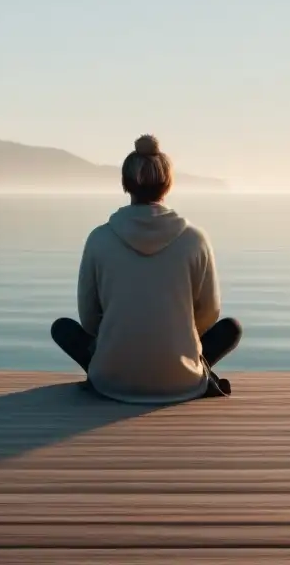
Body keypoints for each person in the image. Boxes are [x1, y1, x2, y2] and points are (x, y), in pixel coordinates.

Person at [51, 134, 242, 403]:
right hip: (182, 379)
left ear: (126, 185)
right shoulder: (195, 239)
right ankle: (187, 372)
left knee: (63, 328)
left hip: (111, 377)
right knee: (230, 328)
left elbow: (89, 318)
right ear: (168, 184)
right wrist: (177, 336)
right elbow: (209, 313)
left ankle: (112, 371)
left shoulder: (99, 238)